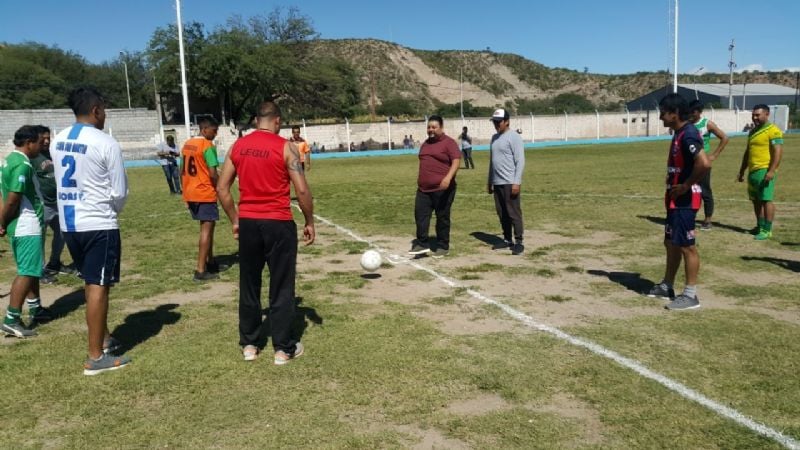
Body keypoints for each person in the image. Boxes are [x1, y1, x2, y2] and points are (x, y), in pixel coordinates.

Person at [217, 101, 314, 365]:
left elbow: (222, 188)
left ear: (256, 120)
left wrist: (235, 220)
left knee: (249, 282)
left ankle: (249, 344)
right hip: (278, 222)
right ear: (278, 121)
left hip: (249, 222)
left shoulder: (238, 146)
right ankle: (283, 349)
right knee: (282, 285)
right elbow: (302, 190)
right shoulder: (286, 148)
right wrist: (309, 220)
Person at [51, 86, 130, 373]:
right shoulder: (105, 142)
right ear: (96, 110)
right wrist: (112, 212)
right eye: (104, 109)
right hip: (98, 223)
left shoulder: (57, 140)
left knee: (90, 282)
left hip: (69, 224)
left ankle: (104, 338)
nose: (105, 115)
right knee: (99, 286)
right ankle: (96, 357)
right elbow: (119, 192)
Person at [647, 93, 709, 311]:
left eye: (663, 113)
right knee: (671, 242)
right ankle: (667, 285)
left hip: (685, 200)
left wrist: (685, 185)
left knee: (686, 246)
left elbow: (704, 163)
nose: (661, 117)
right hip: (674, 200)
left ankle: (691, 295)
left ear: (674, 114)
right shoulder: (678, 133)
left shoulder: (689, 134)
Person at [0, 126, 53, 338]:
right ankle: (11, 319)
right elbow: (12, 199)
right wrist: (3, 220)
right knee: (28, 271)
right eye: (40, 143)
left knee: (29, 267)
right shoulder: (22, 165)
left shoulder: (7, 161)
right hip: (26, 223)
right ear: (29, 142)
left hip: (19, 224)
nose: (42, 147)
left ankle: (35, 308)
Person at [408, 115, 461, 258]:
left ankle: (443, 245)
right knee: (421, 216)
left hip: (443, 188)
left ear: (441, 128)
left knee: (442, 217)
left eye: (434, 127)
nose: (431, 129)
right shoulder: (425, 144)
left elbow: (456, 161)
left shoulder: (448, 143)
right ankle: (422, 243)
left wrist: (448, 178)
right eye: (429, 127)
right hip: (424, 189)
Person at [31, 125, 75, 282]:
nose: (47, 141)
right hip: (44, 204)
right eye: (43, 138)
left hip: (59, 202)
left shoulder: (54, 153)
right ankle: (39, 270)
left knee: (62, 233)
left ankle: (54, 263)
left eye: (48, 138)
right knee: (39, 238)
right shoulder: (32, 157)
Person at [181, 117, 222, 281]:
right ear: (204, 130)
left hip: (190, 191)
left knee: (208, 227)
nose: (216, 133)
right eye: (214, 130)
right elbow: (212, 173)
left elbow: (181, 169)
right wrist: (221, 187)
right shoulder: (207, 146)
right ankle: (200, 269)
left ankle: (210, 261)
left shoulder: (187, 144)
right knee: (206, 229)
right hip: (204, 192)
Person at [737, 104, 784, 241]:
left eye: (758, 115)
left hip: (765, 170)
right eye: (753, 115)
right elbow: (748, 153)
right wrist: (741, 171)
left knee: (766, 200)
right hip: (753, 171)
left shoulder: (773, 130)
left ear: (767, 114)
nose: (755, 117)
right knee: (756, 200)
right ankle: (760, 225)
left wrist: (771, 170)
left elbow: (778, 152)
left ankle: (767, 230)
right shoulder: (753, 131)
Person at [487, 108, 525, 255]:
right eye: (494, 122)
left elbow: (520, 160)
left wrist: (517, 182)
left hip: (510, 182)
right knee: (502, 212)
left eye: (499, 122)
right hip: (497, 182)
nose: (496, 125)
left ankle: (519, 241)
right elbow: (492, 161)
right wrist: (489, 180)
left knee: (513, 212)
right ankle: (507, 239)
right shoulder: (494, 138)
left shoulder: (514, 137)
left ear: (507, 121)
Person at [688, 101, 729, 230]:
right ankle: (690, 217)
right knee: (690, 190)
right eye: (689, 111)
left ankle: (707, 220)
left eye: (693, 112)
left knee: (705, 191)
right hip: (689, 162)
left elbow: (724, 138)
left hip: (703, 162)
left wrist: (714, 155)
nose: (691, 114)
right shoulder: (687, 124)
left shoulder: (707, 124)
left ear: (699, 112)